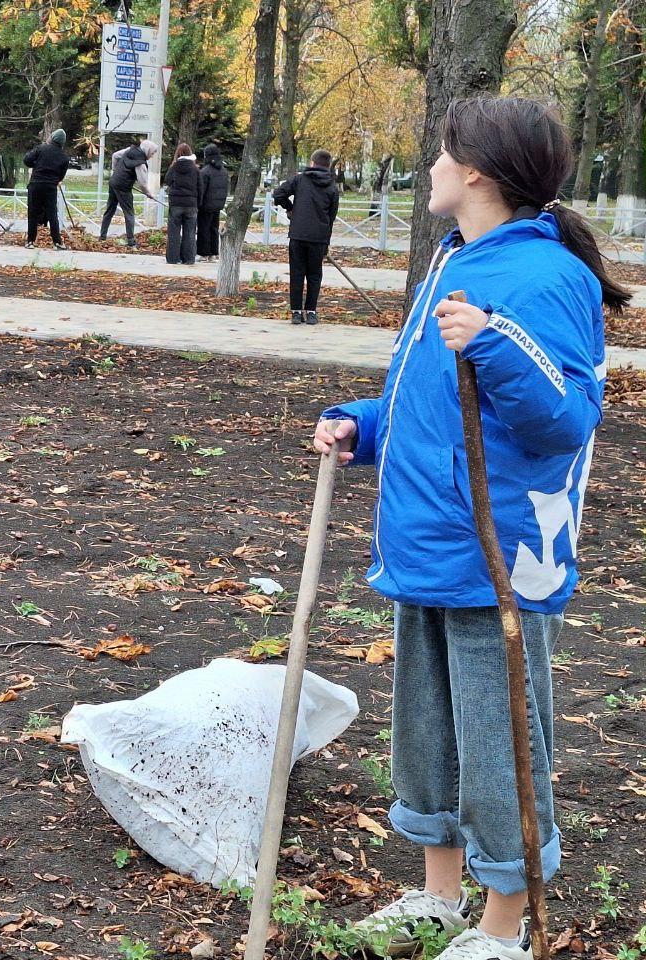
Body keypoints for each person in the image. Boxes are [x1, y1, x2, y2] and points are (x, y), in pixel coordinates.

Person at [313, 97, 628, 960]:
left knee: (497, 744)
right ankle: (440, 895)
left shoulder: (547, 277)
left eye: (443, 152)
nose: (431, 167)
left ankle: (502, 924)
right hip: (428, 545)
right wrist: (361, 426)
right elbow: (429, 405)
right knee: (428, 737)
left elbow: (567, 419)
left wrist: (492, 341)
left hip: (501, 559)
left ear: (478, 171)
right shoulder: (454, 259)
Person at [273, 148, 339, 325]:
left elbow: (278, 194)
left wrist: (290, 208)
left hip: (298, 235)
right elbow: (331, 218)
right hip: (318, 237)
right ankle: (311, 312)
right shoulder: (332, 187)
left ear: (312, 163)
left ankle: (296, 312)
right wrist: (326, 243)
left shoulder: (300, 180)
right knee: (315, 275)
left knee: (297, 273)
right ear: (328, 166)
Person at [99, 138, 159, 248]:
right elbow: (142, 183)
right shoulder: (140, 163)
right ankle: (131, 241)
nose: (152, 155)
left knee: (110, 210)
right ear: (148, 150)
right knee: (129, 213)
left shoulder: (129, 150)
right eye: (152, 153)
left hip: (113, 182)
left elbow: (115, 156)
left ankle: (102, 237)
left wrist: (115, 171)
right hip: (123, 187)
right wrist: (148, 193)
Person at [23, 128, 70, 250]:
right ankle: (57, 242)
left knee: (33, 213)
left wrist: (36, 165)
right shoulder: (64, 157)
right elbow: (61, 176)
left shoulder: (41, 148)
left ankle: (30, 241)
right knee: (52, 214)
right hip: (50, 187)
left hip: (36, 184)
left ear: (52, 138)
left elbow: (27, 160)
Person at [163, 143, 201, 265]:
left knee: (174, 232)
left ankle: (173, 258)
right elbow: (200, 187)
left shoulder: (174, 167)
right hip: (191, 204)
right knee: (190, 232)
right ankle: (188, 258)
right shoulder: (195, 169)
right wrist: (198, 203)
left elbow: (167, 180)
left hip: (176, 203)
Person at [197, 143, 229, 262]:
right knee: (214, 229)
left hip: (205, 205)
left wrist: (198, 203)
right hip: (217, 205)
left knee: (203, 229)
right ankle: (213, 253)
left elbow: (201, 190)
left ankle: (204, 253)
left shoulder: (205, 171)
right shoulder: (223, 171)